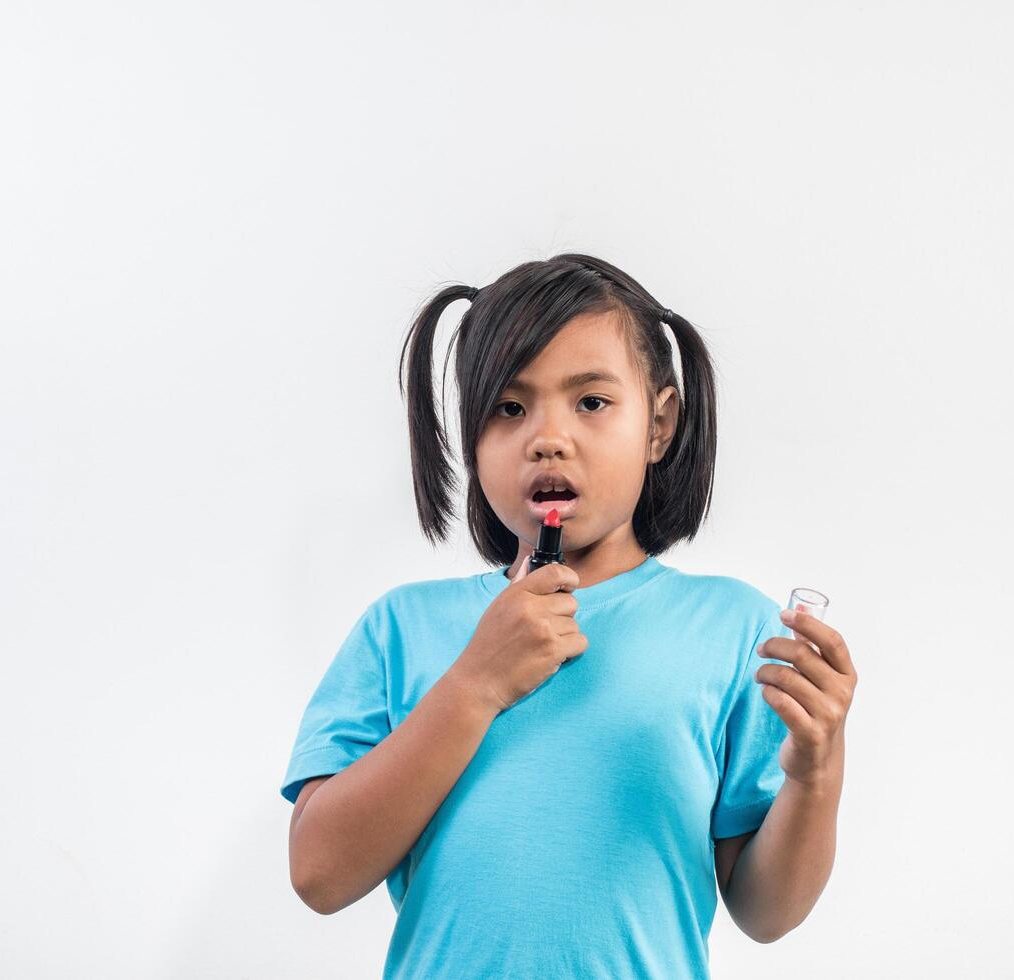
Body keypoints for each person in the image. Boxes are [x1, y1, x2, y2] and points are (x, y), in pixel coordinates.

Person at [279, 253, 858, 979]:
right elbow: (320, 875)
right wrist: (475, 685)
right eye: (508, 407)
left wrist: (814, 774)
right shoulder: (400, 629)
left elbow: (766, 913)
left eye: (590, 402)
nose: (546, 437)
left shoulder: (734, 629)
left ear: (659, 424)